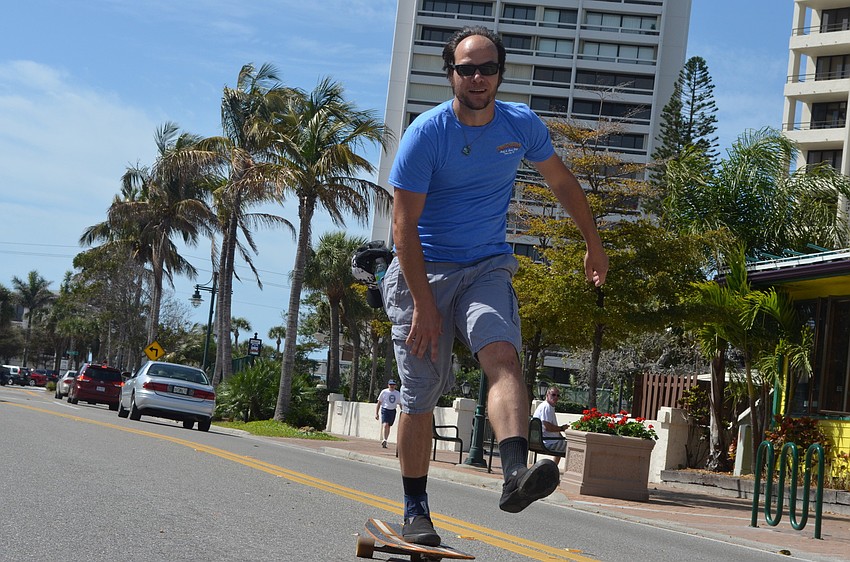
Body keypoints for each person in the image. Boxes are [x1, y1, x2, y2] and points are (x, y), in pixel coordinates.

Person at [381, 25, 609, 546]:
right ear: (451, 75)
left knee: (503, 354)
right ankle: (416, 510)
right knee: (419, 393)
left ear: (500, 74)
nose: (478, 78)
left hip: (486, 267)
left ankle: (513, 475)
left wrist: (593, 243)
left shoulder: (519, 124)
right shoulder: (427, 134)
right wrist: (424, 305)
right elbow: (402, 227)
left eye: (487, 68)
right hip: (424, 270)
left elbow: (562, 182)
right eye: (467, 69)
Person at [532, 387, 568, 454]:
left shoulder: (546, 406)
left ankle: (555, 461)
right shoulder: (547, 407)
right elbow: (547, 427)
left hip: (547, 440)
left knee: (564, 442)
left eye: (558, 395)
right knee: (573, 448)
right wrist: (562, 428)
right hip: (548, 442)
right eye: (553, 395)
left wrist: (559, 433)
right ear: (547, 395)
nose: (556, 397)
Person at [376, 379, 402, 448]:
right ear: (388, 385)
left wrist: (403, 411)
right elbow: (379, 402)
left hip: (392, 411)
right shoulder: (384, 392)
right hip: (385, 410)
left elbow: (400, 403)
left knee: (389, 426)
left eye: (393, 385)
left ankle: (386, 439)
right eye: (390, 384)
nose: (392, 386)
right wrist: (376, 413)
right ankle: (384, 439)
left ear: (395, 386)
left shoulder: (397, 393)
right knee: (385, 425)